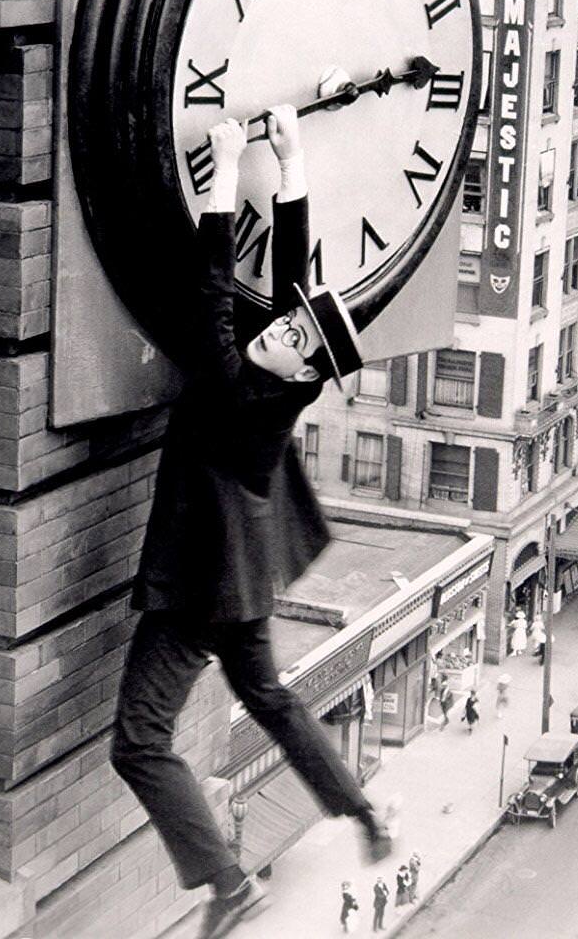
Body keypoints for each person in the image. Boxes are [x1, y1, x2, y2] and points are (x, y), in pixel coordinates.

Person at [109, 111, 397, 939]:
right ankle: (360, 811)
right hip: (241, 577)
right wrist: (292, 162)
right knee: (269, 697)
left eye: (292, 336)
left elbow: (212, 286)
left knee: (139, 743)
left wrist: (228, 169)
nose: (277, 325)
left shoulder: (237, 386)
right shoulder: (283, 383)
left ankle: (229, 886)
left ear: (303, 366)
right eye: (287, 323)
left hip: (201, 586)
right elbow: (290, 292)